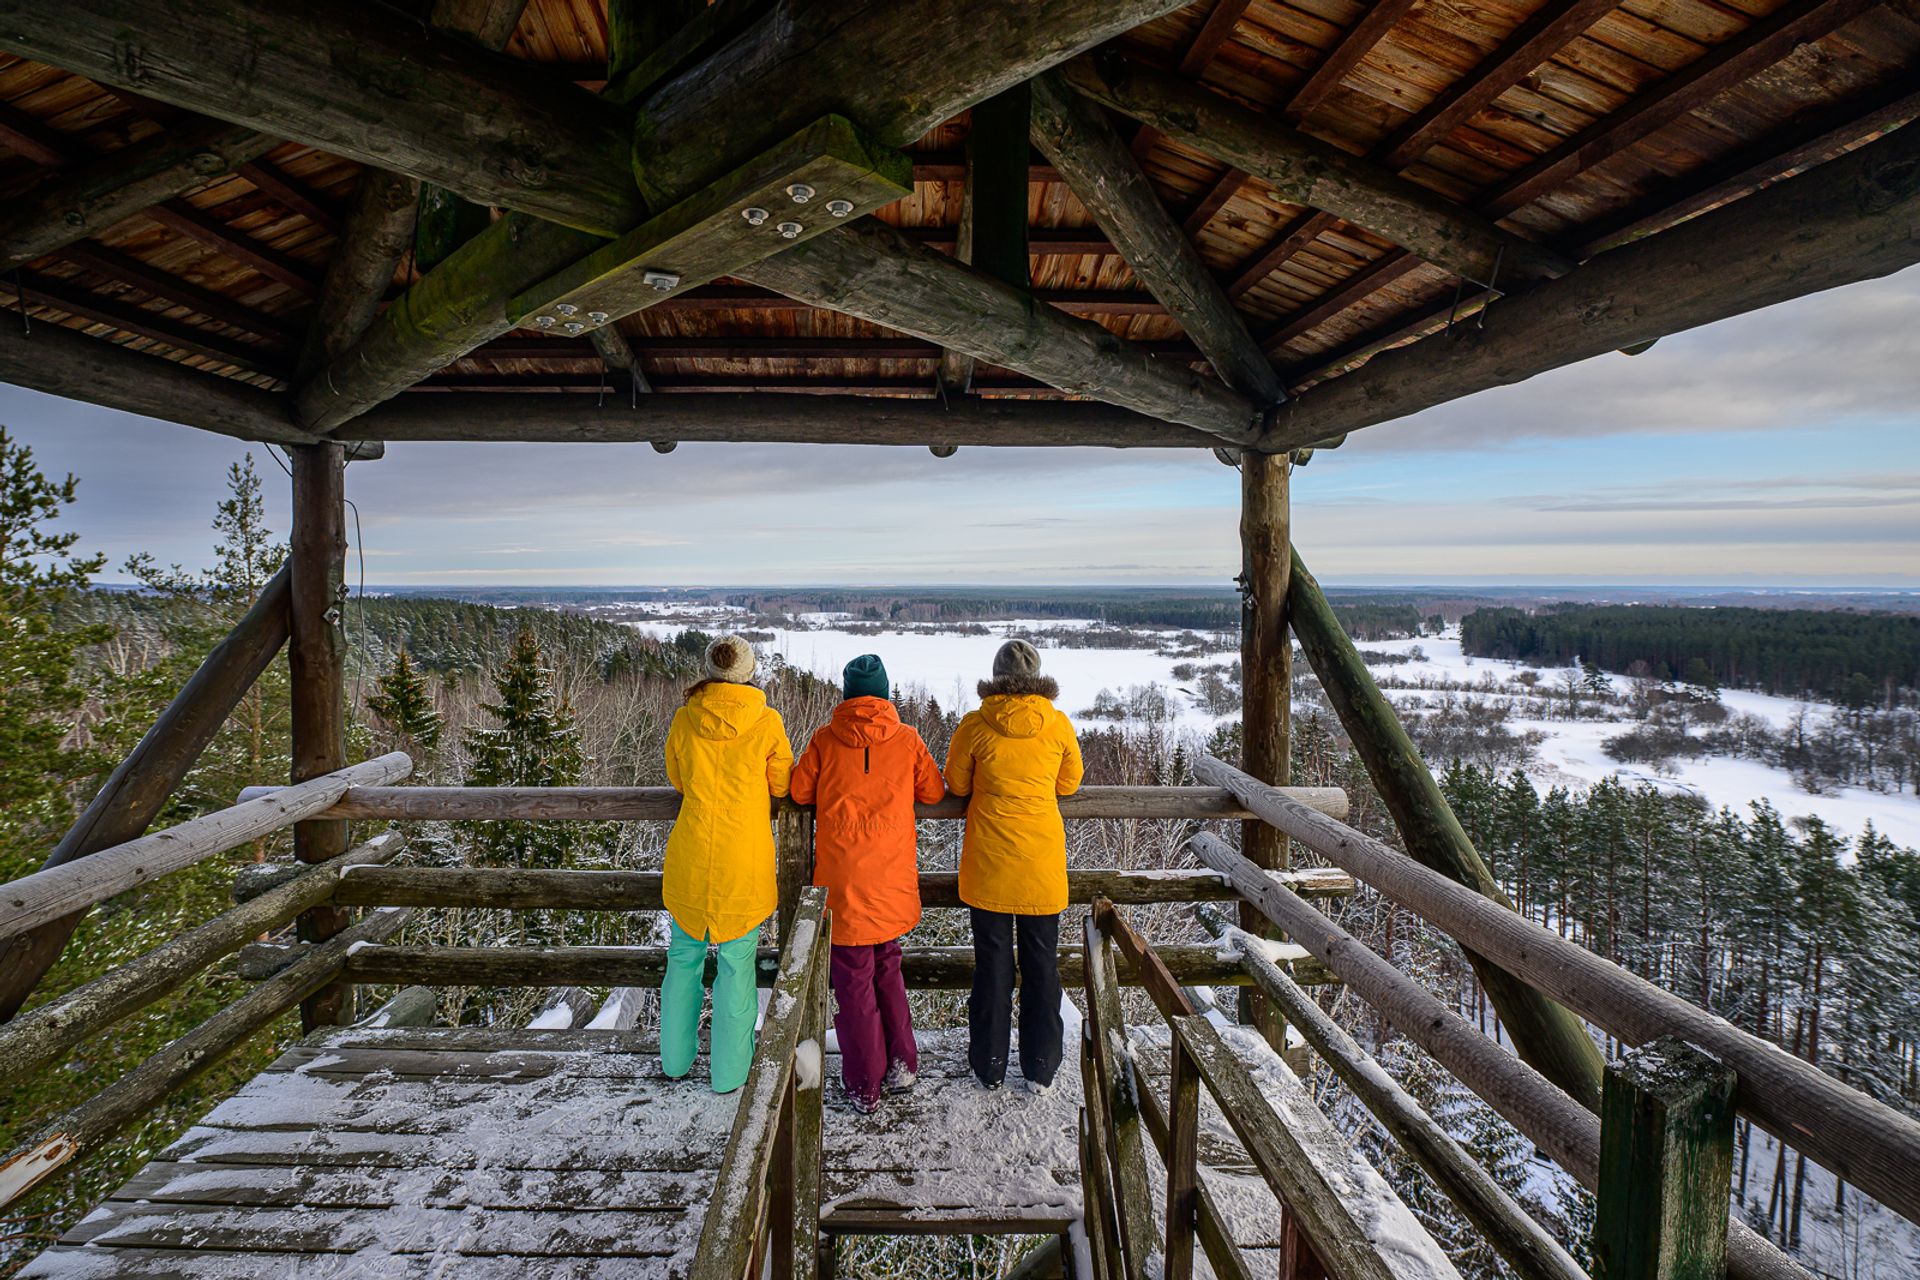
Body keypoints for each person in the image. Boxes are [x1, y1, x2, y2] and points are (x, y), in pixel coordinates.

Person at [789, 654, 945, 1113]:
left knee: (854, 982)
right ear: (884, 695)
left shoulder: (824, 740)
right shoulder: (907, 739)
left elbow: (798, 792)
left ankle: (864, 1084)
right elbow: (934, 792)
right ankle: (902, 1065)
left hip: (843, 887)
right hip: (891, 882)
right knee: (888, 968)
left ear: (847, 696)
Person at [944, 639, 1083, 1093]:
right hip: (1041, 865)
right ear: (1037, 678)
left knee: (993, 966)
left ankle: (990, 1064)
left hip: (989, 864)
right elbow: (1070, 782)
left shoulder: (975, 725)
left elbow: (956, 783)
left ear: (995, 677)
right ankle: (1041, 1065)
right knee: (1042, 965)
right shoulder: (1057, 725)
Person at [660, 634, 794, 1093]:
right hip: (743, 860)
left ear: (711, 670)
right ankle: (730, 1074)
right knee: (737, 966)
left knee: (683, 959)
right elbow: (782, 784)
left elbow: (677, 777)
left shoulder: (685, 717)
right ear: (748, 672)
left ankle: (675, 1061)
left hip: (692, 855)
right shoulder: (766, 721)